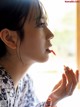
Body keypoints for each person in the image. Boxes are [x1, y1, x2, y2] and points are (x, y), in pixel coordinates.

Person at [0, 0, 79, 107]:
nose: (51, 34)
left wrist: (53, 99)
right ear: (10, 38)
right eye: (41, 24)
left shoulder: (24, 81)